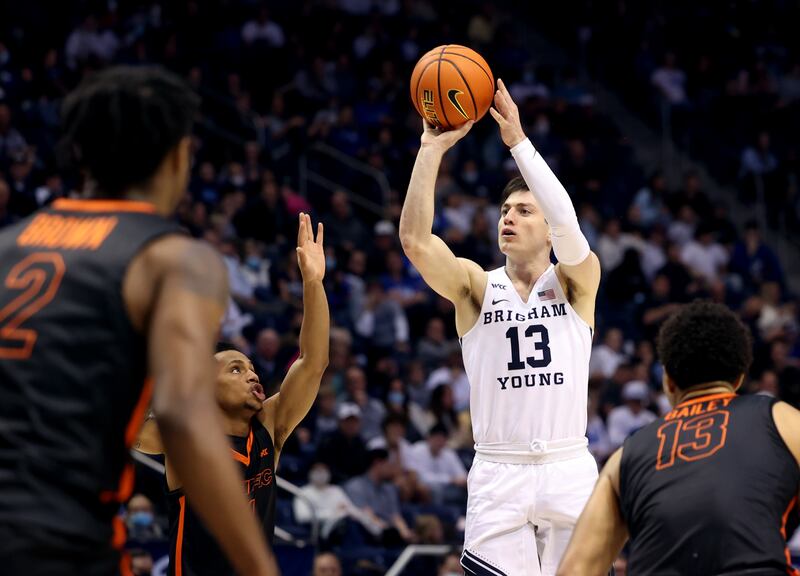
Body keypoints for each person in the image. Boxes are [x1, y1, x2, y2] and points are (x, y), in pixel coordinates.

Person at [0, 66, 276, 576]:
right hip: (63, 543)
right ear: (178, 156)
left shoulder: (8, 244)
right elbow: (182, 414)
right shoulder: (172, 259)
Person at [400, 78, 601, 575]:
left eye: (524, 210)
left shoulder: (577, 280)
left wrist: (519, 143)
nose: (508, 217)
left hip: (567, 464)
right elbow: (415, 241)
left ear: (546, 226)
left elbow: (570, 229)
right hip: (497, 468)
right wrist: (429, 149)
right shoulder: (474, 284)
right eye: (504, 210)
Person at [136, 213, 329, 575]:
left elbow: (313, 362)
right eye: (236, 369)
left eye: (252, 367)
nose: (252, 374)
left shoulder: (270, 426)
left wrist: (314, 283)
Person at [558, 301, 800, 576]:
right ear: (740, 378)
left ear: (668, 381)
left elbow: (575, 569)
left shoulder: (626, 456)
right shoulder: (779, 419)